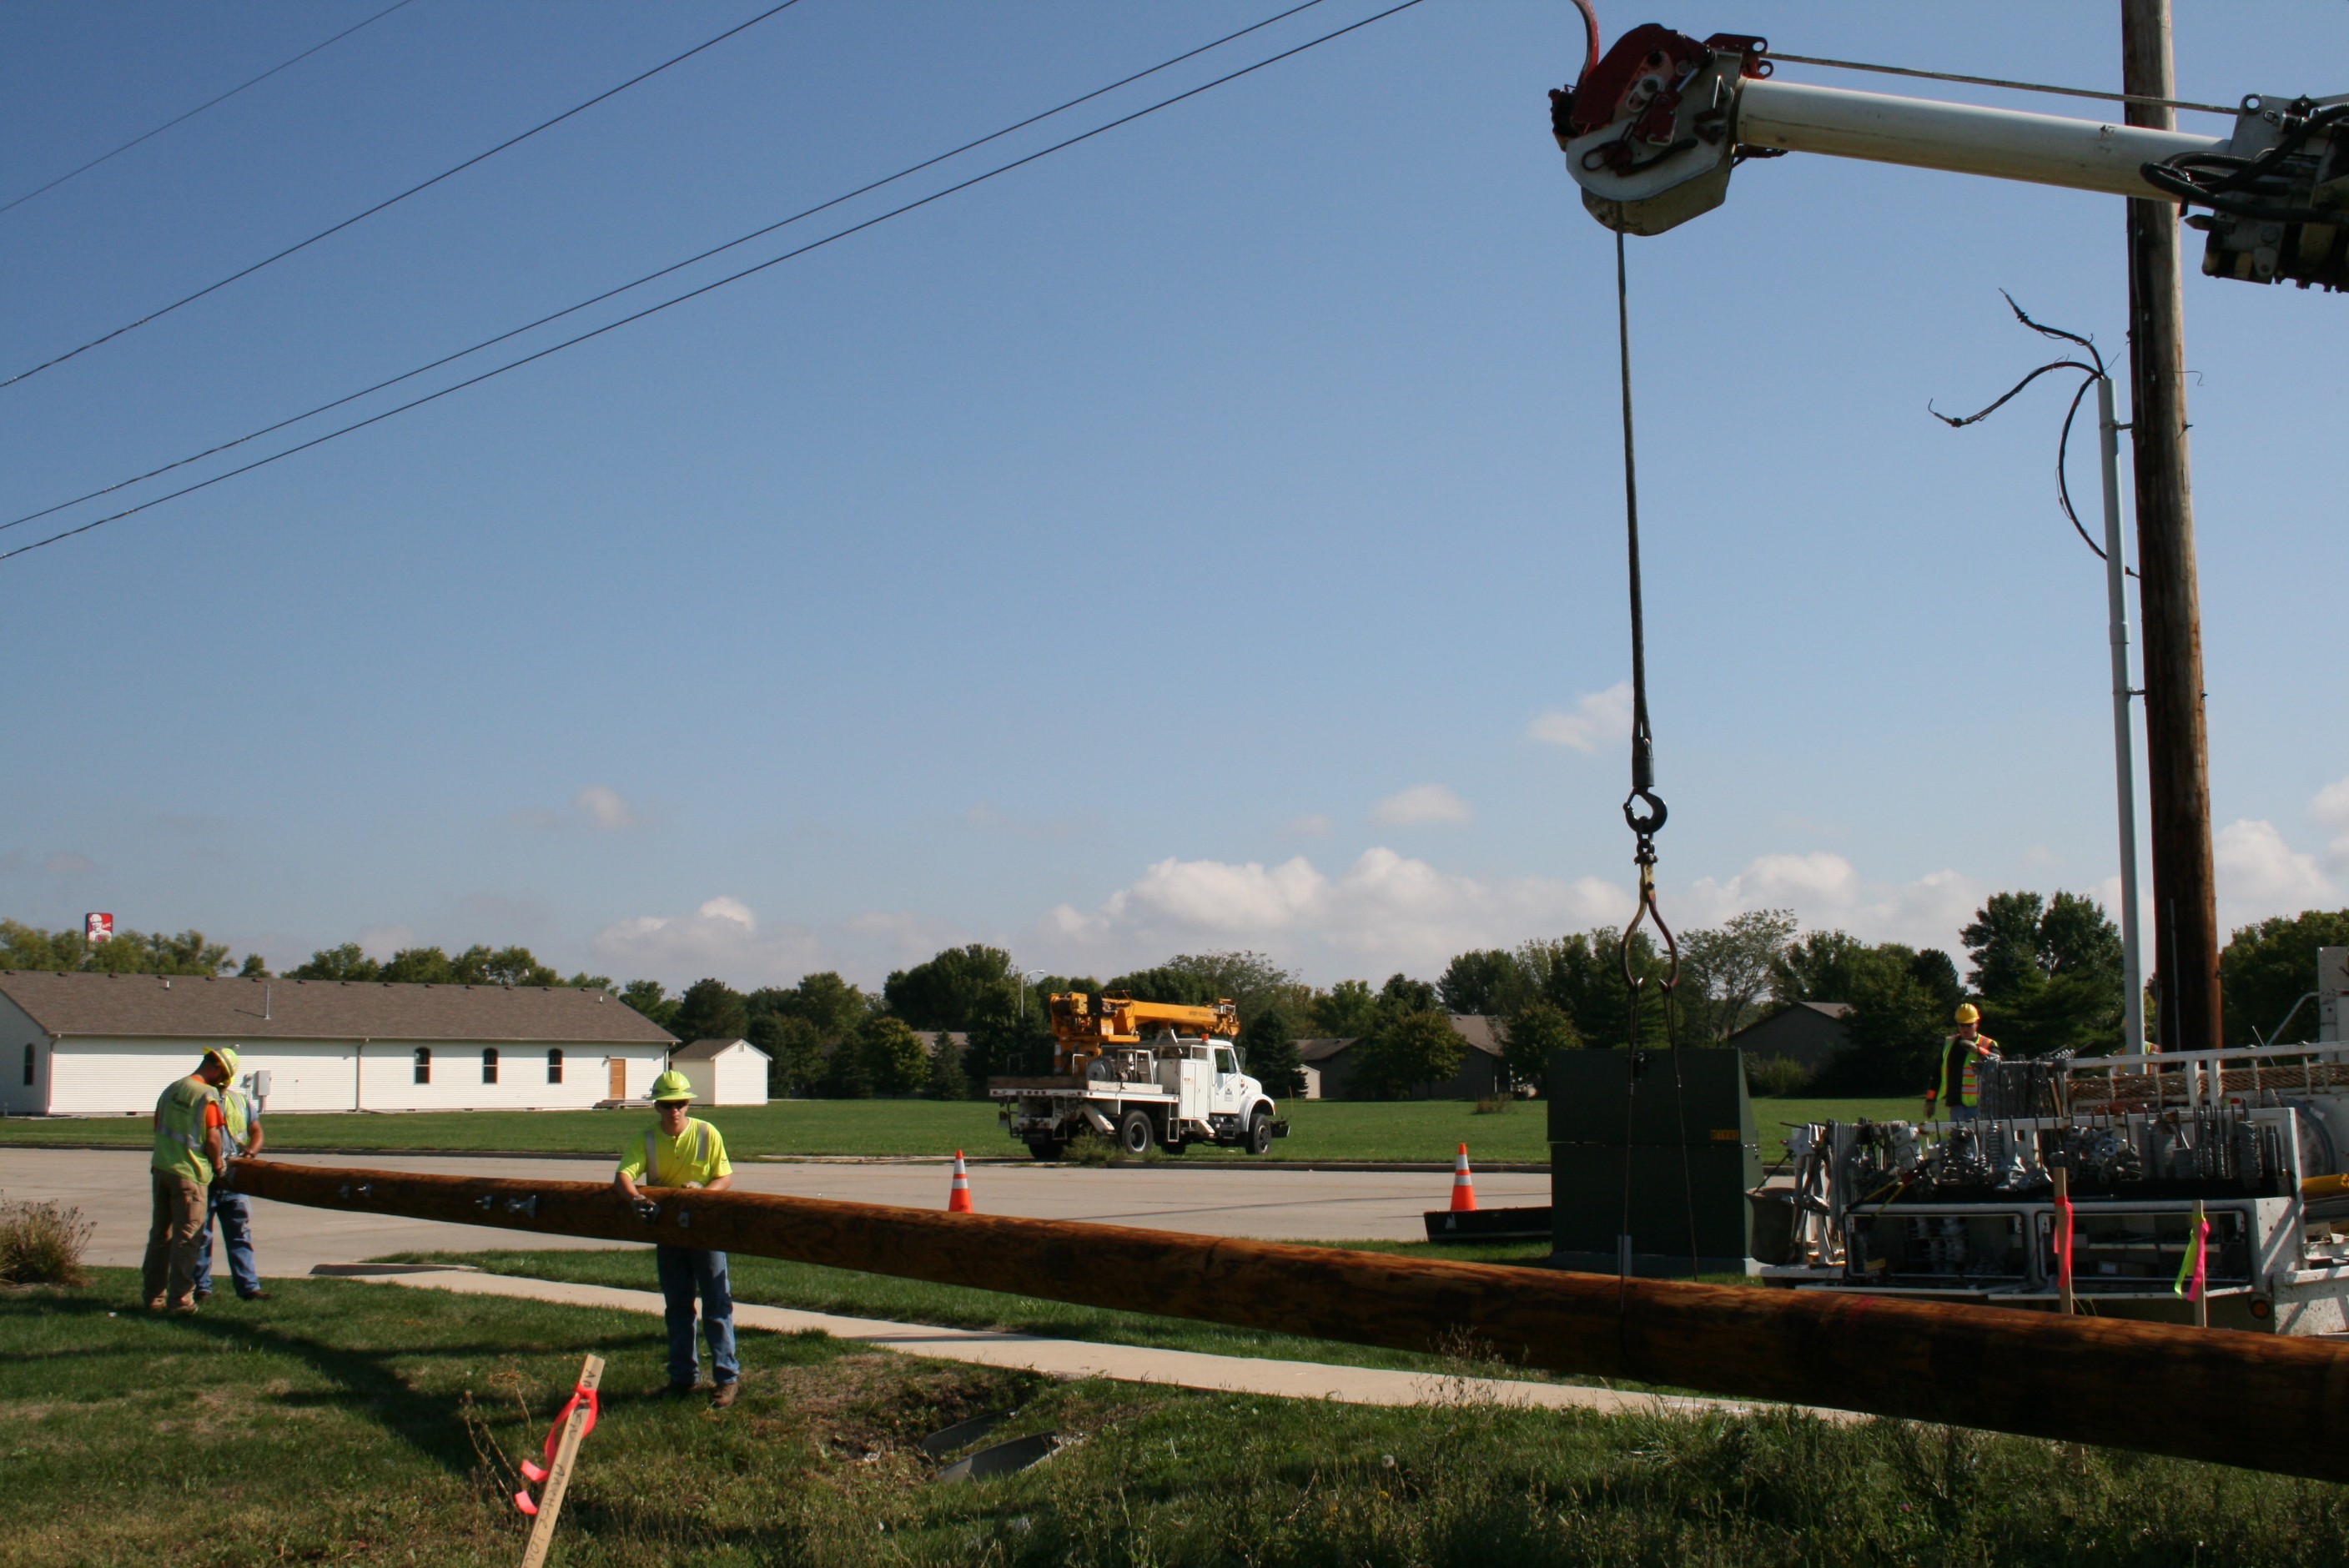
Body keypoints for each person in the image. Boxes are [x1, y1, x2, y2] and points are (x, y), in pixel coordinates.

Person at [613, 1071, 739, 1406]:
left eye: (681, 1103)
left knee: (717, 1303)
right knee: (679, 1307)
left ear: (688, 1104)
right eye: (668, 1104)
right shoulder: (647, 1139)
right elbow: (623, 1175)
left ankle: (726, 1378)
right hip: (669, 1232)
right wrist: (635, 1199)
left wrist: (703, 1194)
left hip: (705, 1230)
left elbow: (725, 1177)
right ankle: (682, 1377)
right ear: (657, 1106)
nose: (675, 1110)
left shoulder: (707, 1132)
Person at [143, 1048, 233, 1313]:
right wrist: (218, 1165)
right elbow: (213, 1139)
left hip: (162, 1168)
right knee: (188, 1239)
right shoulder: (207, 1096)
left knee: (160, 1236)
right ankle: (180, 1301)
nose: (221, 1085)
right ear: (217, 1070)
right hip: (190, 1175)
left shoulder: (172, 1088)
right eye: (223, 1079)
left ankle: (153, 1297)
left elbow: (158, 1125)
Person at [193, 1066, 269, 1304]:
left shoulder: (239, 1102)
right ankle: (201, 1288)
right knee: (201, 1236)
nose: (221, 1085)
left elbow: (257, 1132)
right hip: (205, 1176)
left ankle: (249, 1288)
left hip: (235, 1179)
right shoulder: (201, 1101)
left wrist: (251, 1153)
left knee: (240, 1234)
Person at [1924, 1004, 1999, 1122]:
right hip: (1956, 1104)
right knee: (1957, 1133)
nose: (1965, 1029)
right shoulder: (1949, 1044)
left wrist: (1979, 1051)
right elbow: (1937, 1074)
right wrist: (1930, 1100)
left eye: (1969, 1025)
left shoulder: (1987, 1043)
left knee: (1977, 1134)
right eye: (1962, 1025)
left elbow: (1999, 1062)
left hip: (1979, 1104)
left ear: (1976, 1023)